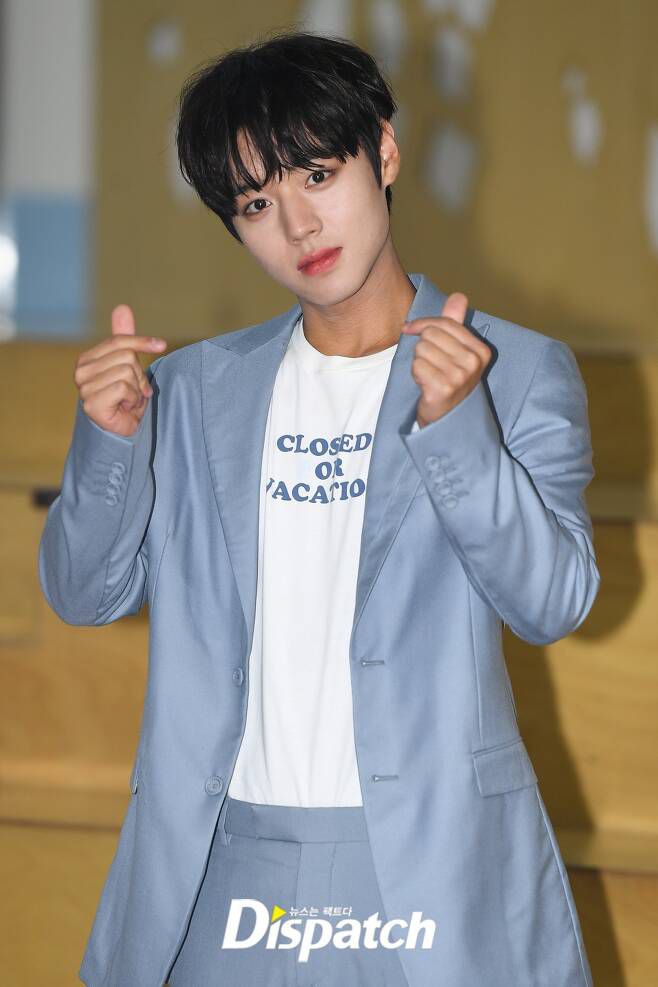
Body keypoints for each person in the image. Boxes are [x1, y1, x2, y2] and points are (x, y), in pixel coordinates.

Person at [39, 29, 600, 987]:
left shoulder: (512, 371)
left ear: (384, 152)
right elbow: (84, 592)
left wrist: (459, 431)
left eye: (316, 174)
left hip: (428, 868)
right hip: (223, 865)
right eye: (257, 203)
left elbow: (553, 602)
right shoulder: (193, 391)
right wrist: (110, 439)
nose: (299, 226)